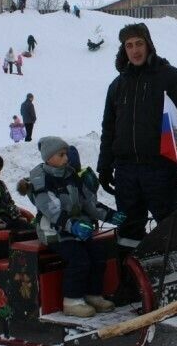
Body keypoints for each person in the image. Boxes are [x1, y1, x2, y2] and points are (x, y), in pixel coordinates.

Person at [97, 23, 177, 247]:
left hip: (161, 169)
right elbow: (109, 128)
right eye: (129, 45)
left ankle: (172, 277)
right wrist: (104, 166)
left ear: (149, 45)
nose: (135, 50)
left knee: (170, 227)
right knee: (128, 229)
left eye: (139, 44)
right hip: (125, 172)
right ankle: (132, 277)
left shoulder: (171, 78)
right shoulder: (117, 85)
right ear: (124, 49)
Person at [28, 136, 126, 317]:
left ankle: (93, 294)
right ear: (48, 157)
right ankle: (72, 301)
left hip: (77, 228)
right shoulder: (41, 179)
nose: (66, 158)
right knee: (78, 259)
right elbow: (51, 209)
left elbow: (87, 203)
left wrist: (111, 215)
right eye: (61, 155)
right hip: (54, 231)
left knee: (98, 255)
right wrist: (71, 225)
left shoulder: (70, 174)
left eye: (66, 154)